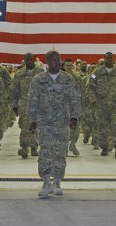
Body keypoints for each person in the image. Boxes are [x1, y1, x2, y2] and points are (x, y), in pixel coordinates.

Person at [28, 50, 81, 198]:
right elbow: (32, 100)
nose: (56, 63)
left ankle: (57, 181)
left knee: (60, 152)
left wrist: (74, 117)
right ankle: (46, 181)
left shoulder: (68, 79)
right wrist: (32, 120)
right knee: (45, 151)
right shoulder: (38, 80)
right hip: (43, 122)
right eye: (53, 60)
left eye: (58, 60)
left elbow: (75, 99)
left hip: (62, 122)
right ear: (47, 62)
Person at [87, 52, 116, 157]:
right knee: (103, 127)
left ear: (113, 59)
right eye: (107, 58)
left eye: (111, 58)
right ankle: (104, 147)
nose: (109, 59)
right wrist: (93, 99)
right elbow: (90, 87)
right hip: (101, 104)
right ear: (104, 58)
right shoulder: (96, 72)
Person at [11, 52, 44, 159]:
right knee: (25, 125)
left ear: (33, 59)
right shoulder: (19, 73)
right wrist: (14, 105)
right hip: (24, 102)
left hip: (38, 103)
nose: (29, 61)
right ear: (24, 60)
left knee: (35, 124)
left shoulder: (41, 72)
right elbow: (15, 90)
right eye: (27, 59)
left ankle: (34, 146)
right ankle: (24, 147)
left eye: (31, 59)